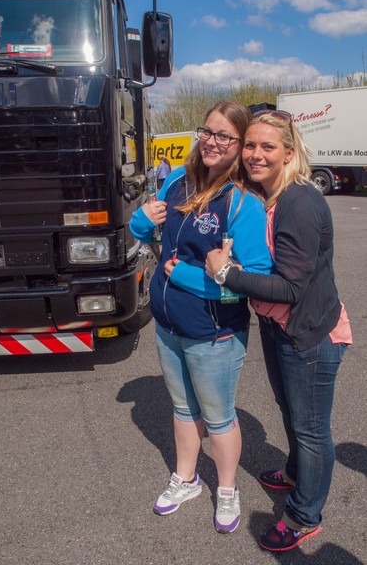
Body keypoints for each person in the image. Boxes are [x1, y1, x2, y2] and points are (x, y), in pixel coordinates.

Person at [205, 110, 352, 551]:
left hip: (308, 336)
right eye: (249, 145)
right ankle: (294, 472)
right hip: (278, 328)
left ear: (289, 152)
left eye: (268, 146)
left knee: (311, 429)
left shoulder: (300, 201)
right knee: (289, 413)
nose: (255, 154)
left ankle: (306, 514)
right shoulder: (263, 195)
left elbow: (290, 286)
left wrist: (226, 274)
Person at [129, 100, 273, 533]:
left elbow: (257, 278)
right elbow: (148, 230)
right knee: (181, 407)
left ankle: (226, 488)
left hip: (214, 334)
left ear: (239, 144)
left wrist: (190, 277)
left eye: (225, 136)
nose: (212, 142)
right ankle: (186, 478)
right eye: (207, 131)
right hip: (169, 328)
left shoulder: (242, 202)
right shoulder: (177, 180)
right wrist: (139, 221)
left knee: (218, 416)